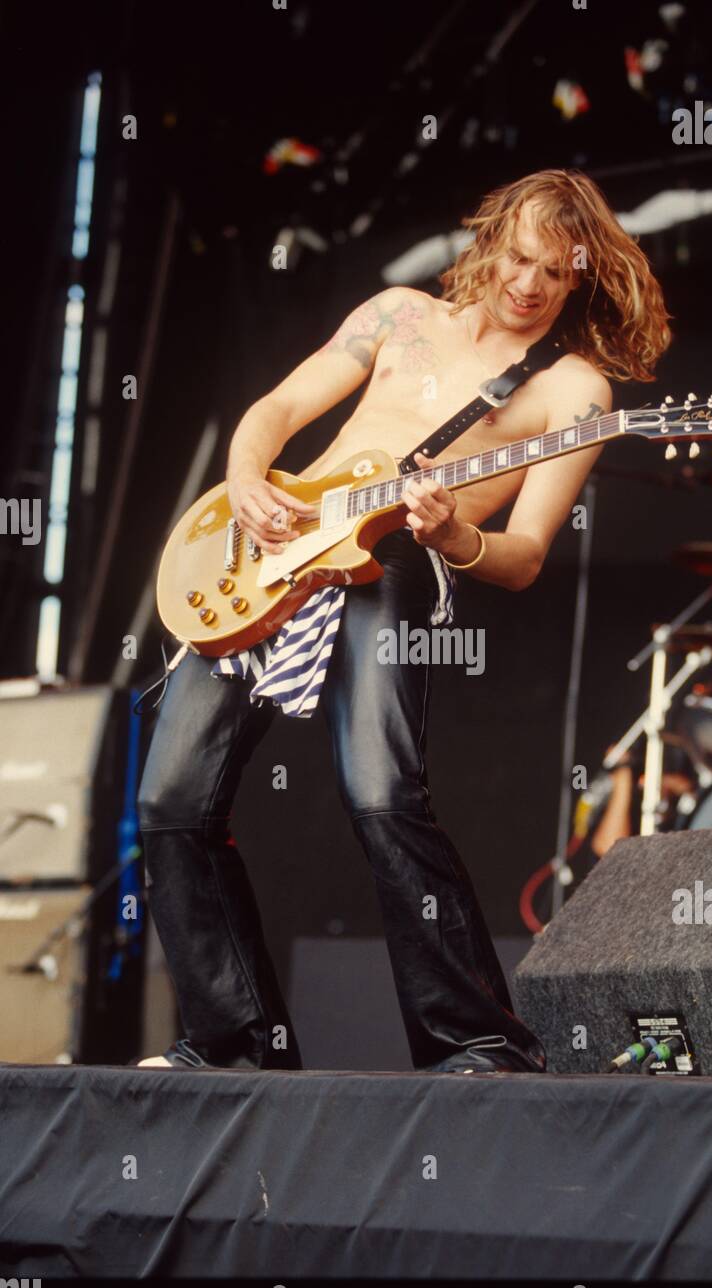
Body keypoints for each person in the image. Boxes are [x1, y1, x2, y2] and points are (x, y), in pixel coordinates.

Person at [136, 168, 670, 1073]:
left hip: (393, 566)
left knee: (381, 793)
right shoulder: (397, 315)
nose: (530, 285)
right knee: (168, 803)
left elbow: (527, 552)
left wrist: (459, 534)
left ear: (582, 276)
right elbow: (276, 411)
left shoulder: (573, 390)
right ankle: (235, 1046)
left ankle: (480, 1043)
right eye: (521, 258)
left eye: (556, 272)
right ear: (491, 237)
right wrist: (246, 480)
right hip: (271, 556)